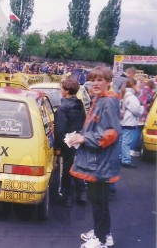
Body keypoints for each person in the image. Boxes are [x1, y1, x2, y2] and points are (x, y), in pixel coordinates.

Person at [69, 66, 121, 248]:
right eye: (93, 79)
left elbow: (112, 133)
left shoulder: (107, 102)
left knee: (98, 202)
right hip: (99, 162)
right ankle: (104, 233)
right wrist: (81, 137)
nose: (95, 83)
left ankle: (100, 240)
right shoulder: (101, 99)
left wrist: (84, 138)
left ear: (108, 82)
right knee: (99, 201)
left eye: (100, 80)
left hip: (100, 163)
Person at [54, 79, 87, 207]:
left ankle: (66, 196)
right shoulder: (80, 105)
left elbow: (60, 129)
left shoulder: (62, 108)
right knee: (78, 166)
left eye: (62, 88)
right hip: (79, 139)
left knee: (66, 170)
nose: (61, 90)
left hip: (67, 142)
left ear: (66, 91)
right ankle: (82, 193)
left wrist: (58, 146)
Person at [120, 78, 143, 168]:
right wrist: (142, 109)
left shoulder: (125, 94)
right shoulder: (131, 97)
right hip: (129, 121)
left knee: (122, 141)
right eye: (137, 85)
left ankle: (121, 157)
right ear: (133, 85)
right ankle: (126, 160)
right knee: (127, 142)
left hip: (123, 121)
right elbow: (137, 110)